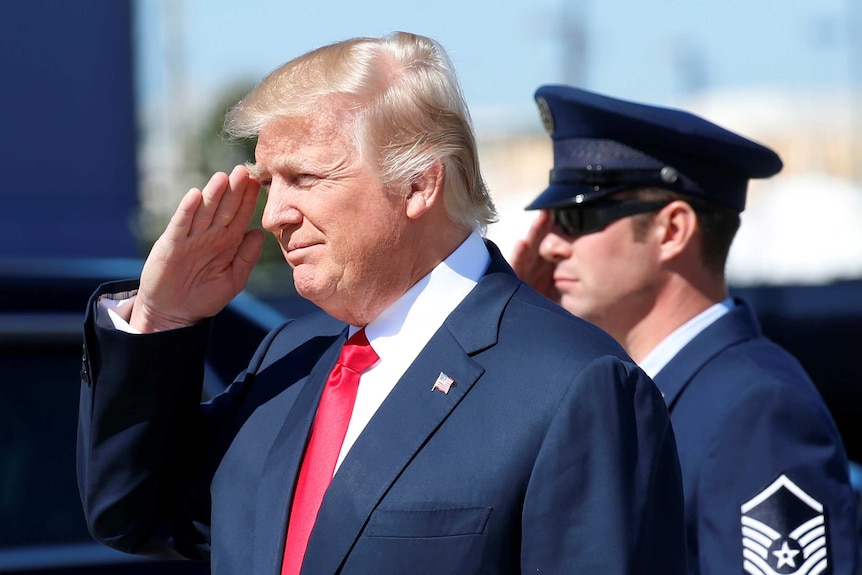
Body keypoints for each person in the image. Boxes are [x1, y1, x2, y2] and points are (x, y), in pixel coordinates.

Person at [76, 34, 687, 574]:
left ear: (419, 183)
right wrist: (161, 321)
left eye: (306, 179)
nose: (275, 216)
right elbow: (135, 515)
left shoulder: (572, 383)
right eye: (269, 183)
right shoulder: (290, 357)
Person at [512, 84, 861, 575]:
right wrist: (530, 335)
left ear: (672, 230)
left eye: (575, 216)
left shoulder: (757, 411)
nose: (549, 246)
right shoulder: (624, 394)